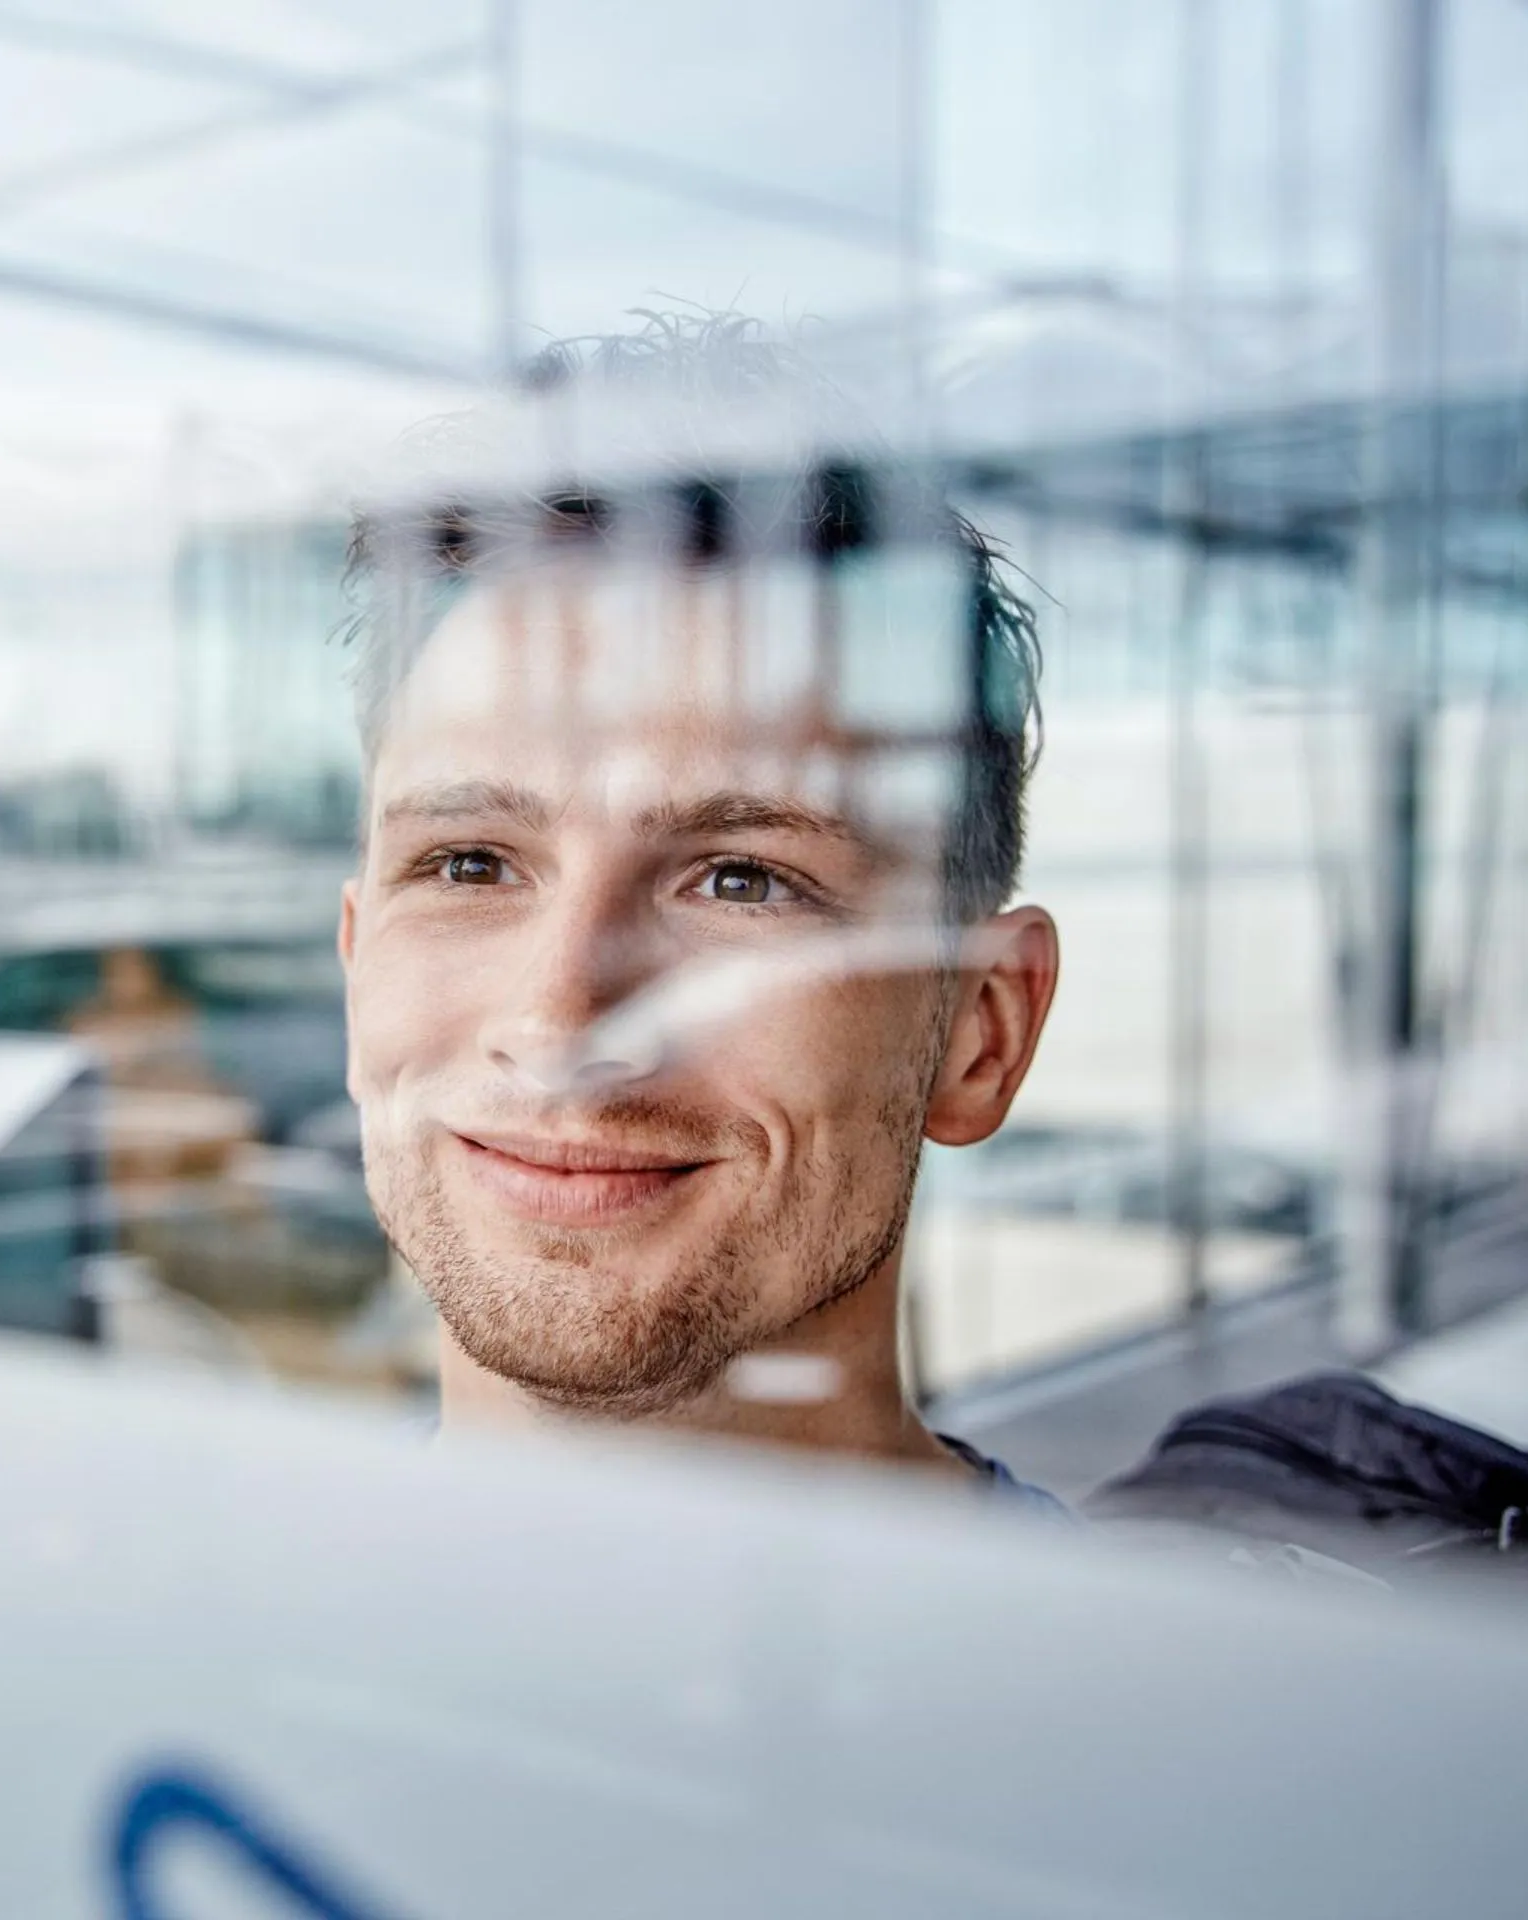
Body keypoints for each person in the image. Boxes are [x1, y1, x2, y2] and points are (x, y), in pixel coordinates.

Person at [335, 313, 1059, 1493]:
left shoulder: (1120, 1683)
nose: (563, 1028)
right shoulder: (170, 1650)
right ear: (356, 964)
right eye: (471, 864)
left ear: (981, 1034)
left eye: (742, 881)